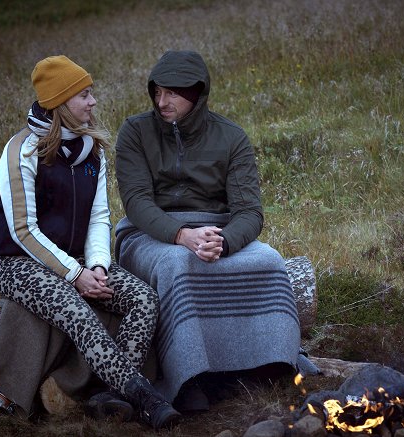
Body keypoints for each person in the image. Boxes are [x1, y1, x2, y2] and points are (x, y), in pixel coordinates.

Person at [0, 55, 181, 430]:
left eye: (91, 94)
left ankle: (111, 396)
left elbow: (98, 217)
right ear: (60, 102)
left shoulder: (93, 150)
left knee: (143, 298)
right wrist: (75, 275)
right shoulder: (20, 151)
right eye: (84, 96)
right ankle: (144, 398)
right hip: (17, 263)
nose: (93, 102)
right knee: (76, 312)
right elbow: (23, 230)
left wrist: (97, 266)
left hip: (78, 259)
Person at [114, 50, 302, 410]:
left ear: (197, 93)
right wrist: (182, 235)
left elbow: (249, 211)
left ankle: (269, 364)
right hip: (149, 232)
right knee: (178, 265)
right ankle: (189, 377)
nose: (161, 102)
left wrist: (225, 241)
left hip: (217, 231)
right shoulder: (136, 131)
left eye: (172, 93)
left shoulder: (231, 137)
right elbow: (137, 203)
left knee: (270, 260)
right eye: (157, 92)